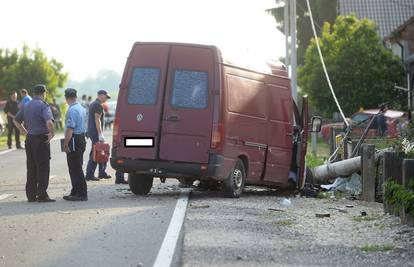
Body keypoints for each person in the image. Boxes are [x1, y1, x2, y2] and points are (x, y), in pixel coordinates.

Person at [13, 84, 55, 202]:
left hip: (30, 138)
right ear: (44, 93)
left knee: (31, 167)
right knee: (43, 167)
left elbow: (16, 120)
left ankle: (31, 195)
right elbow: (49, 123)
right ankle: (42, 194)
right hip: (41, 139)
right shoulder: (43, 105)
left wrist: (25, 132)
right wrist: (52, 133)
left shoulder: (26, 105)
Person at [62, 88, 88, 201]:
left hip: (74, 140)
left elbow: (70, 128)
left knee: (75, 168)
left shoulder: (71, 110)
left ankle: (81, 193)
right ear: (75, 96)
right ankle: (75, 191)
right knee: (77, 167)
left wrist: (66, 143)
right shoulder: (81, 108)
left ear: (67, 98)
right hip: (81, 138)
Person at [85, 90, 112, 181]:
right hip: (96, 132)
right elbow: (97, 120)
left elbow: (89, 118)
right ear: (101, 95)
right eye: (106, 97)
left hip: (92, 131)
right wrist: (100, 133)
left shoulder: (93, 104)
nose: (106, 99)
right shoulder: (98, 105)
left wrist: (88, 129)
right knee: (96, 152)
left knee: (99, 151)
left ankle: (101, 172)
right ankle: (90, 174)